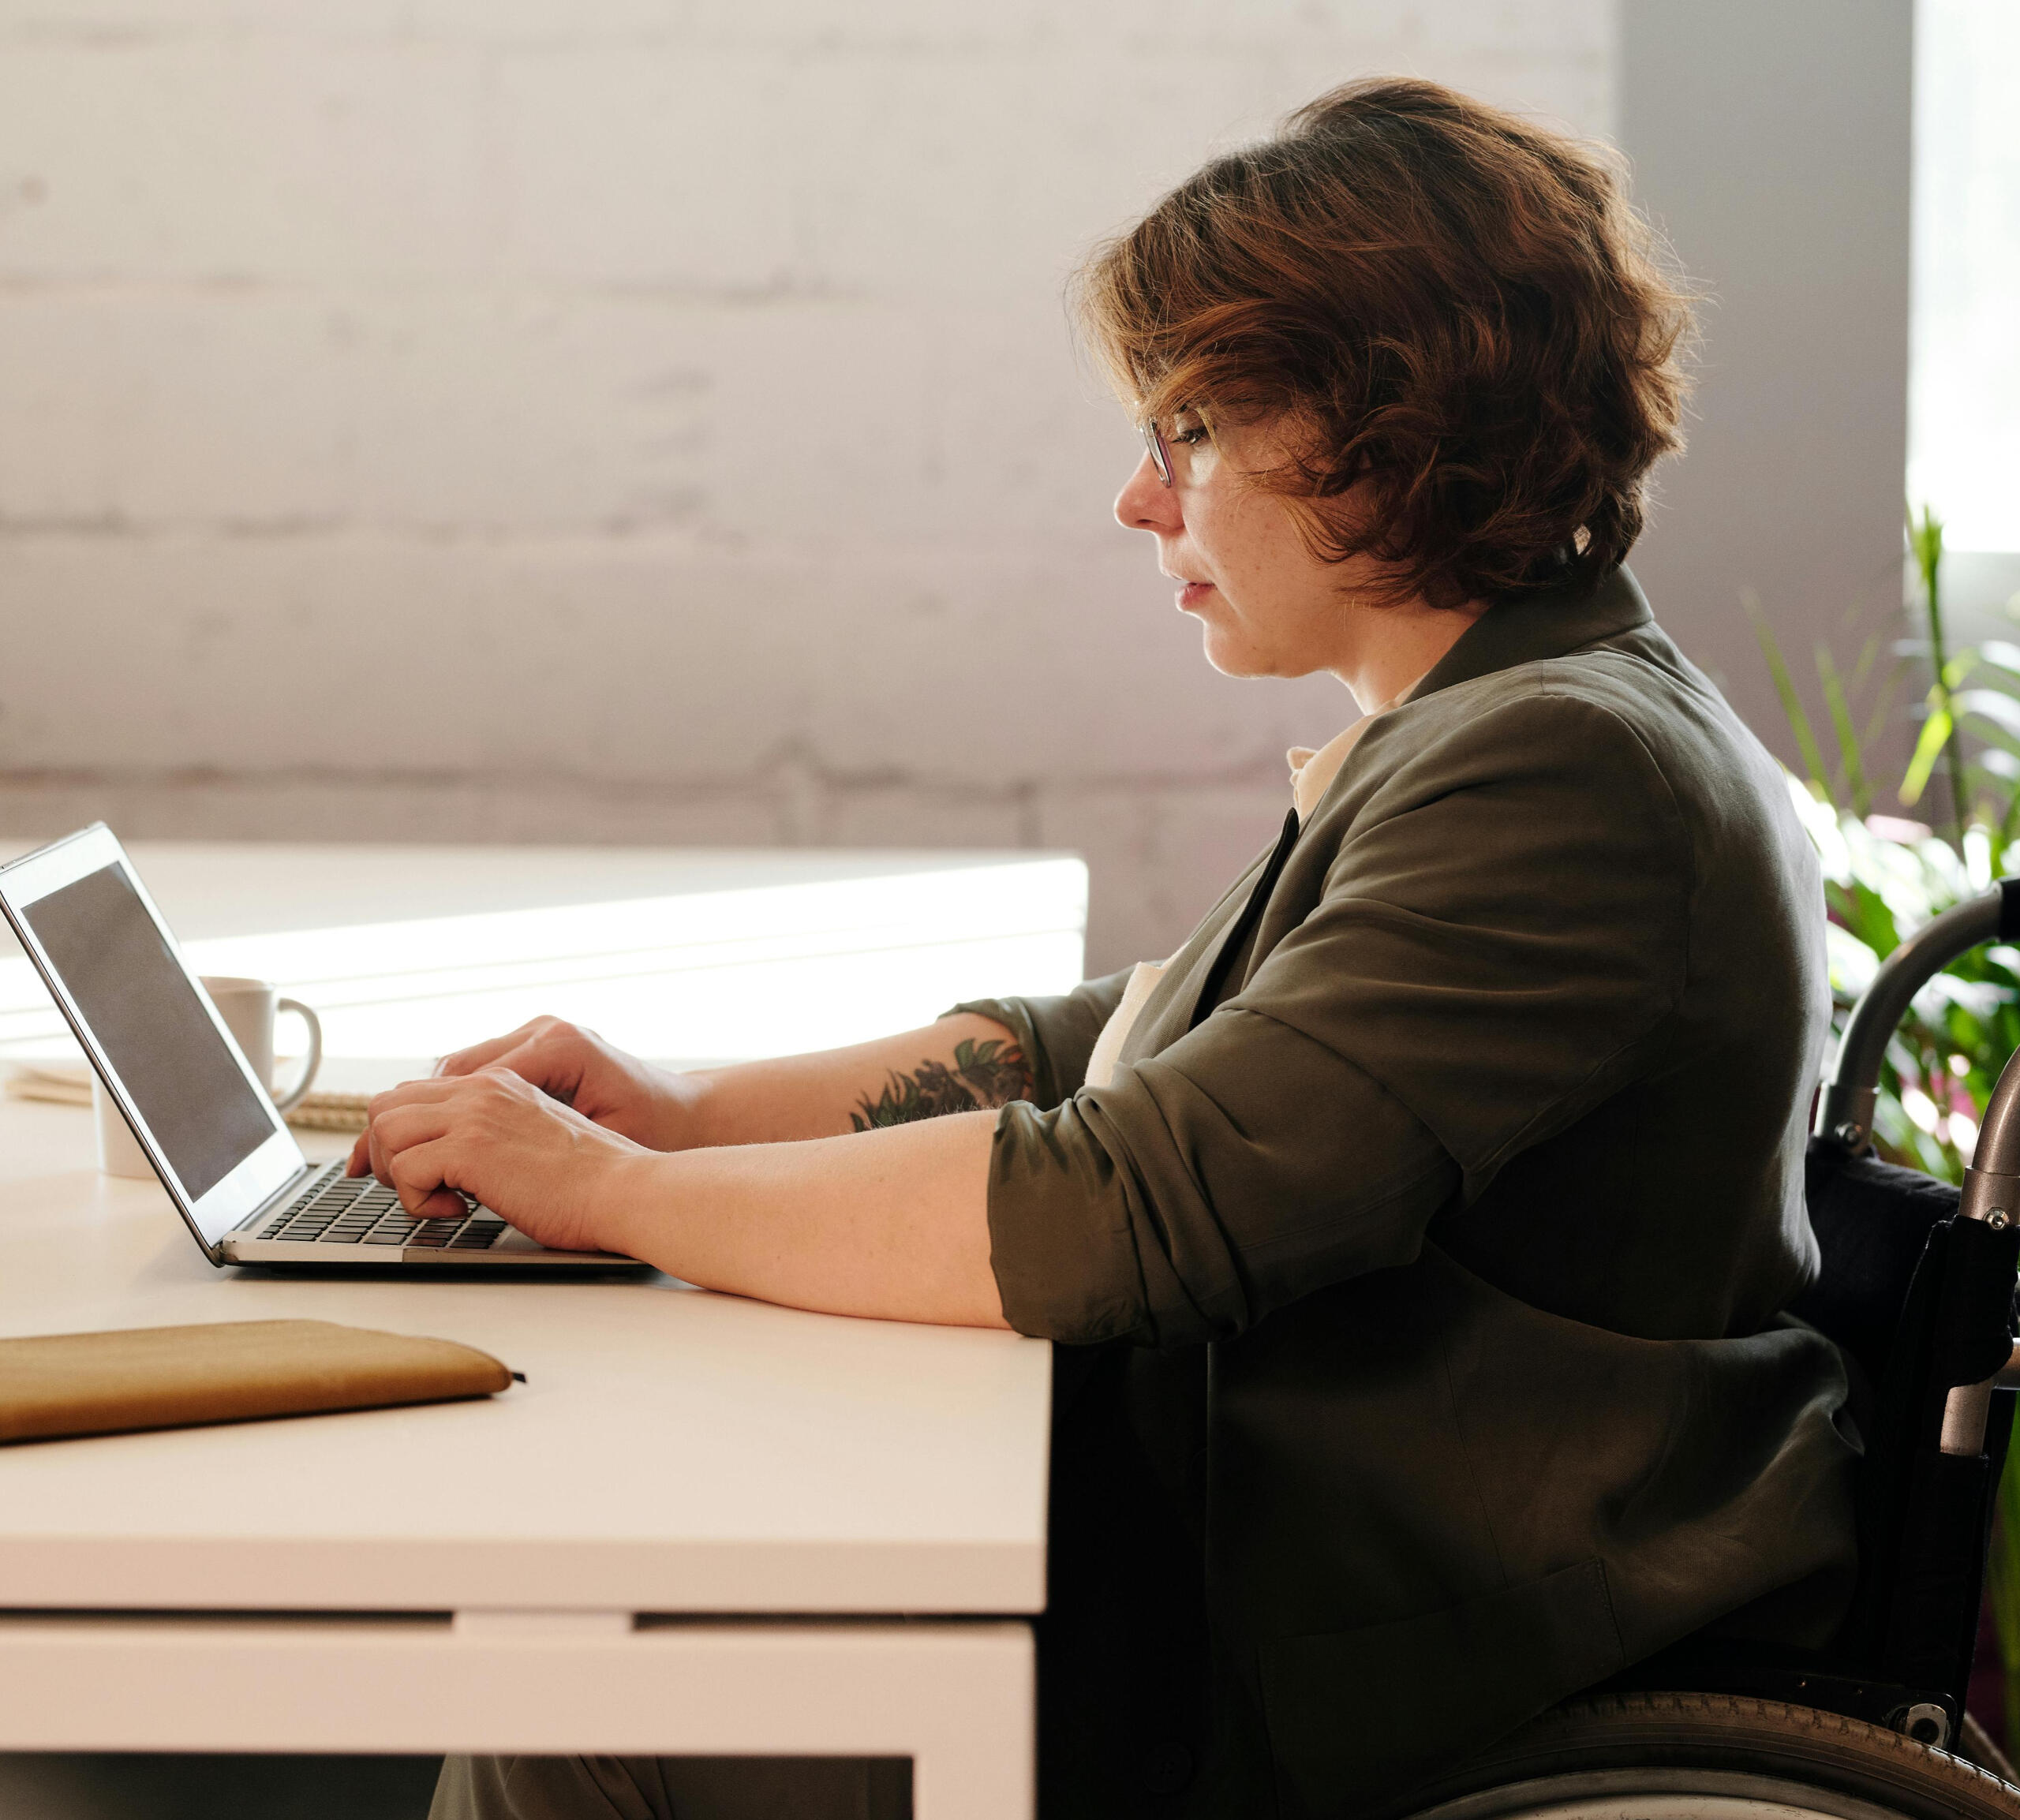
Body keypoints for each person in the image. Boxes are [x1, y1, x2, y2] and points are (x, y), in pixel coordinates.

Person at [383, 77, 1859, 1820]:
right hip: (1343, 1571)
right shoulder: (1505, 712)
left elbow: (1123, 1208)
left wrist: (609, 1193)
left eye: (1191, 432)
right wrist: (673, 1109)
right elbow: (1121, 1039)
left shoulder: (1563, 766)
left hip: (1418, 1647)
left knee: (589, 1692)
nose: (1138, 501)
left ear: (1385, 434)